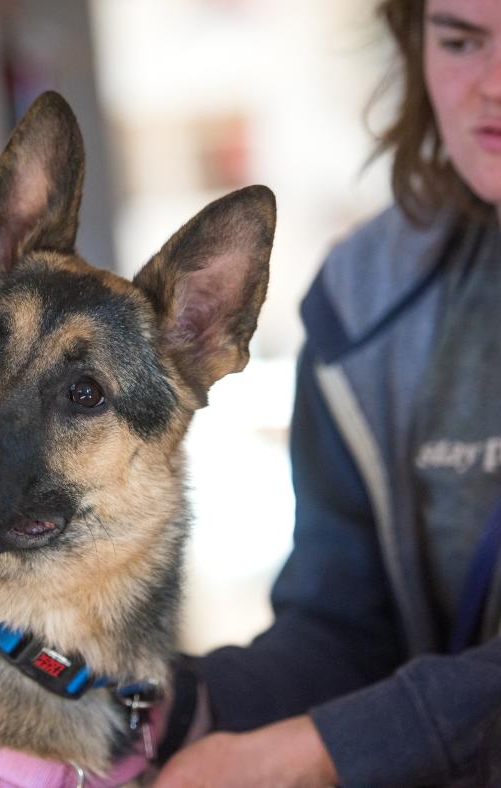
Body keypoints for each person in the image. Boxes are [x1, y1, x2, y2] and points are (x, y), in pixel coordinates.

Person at [155, 1, 501, 785]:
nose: (493, 86)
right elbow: (343, 628)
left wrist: (319, 751)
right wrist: (162, 709)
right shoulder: (363, 297)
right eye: (460, 40)